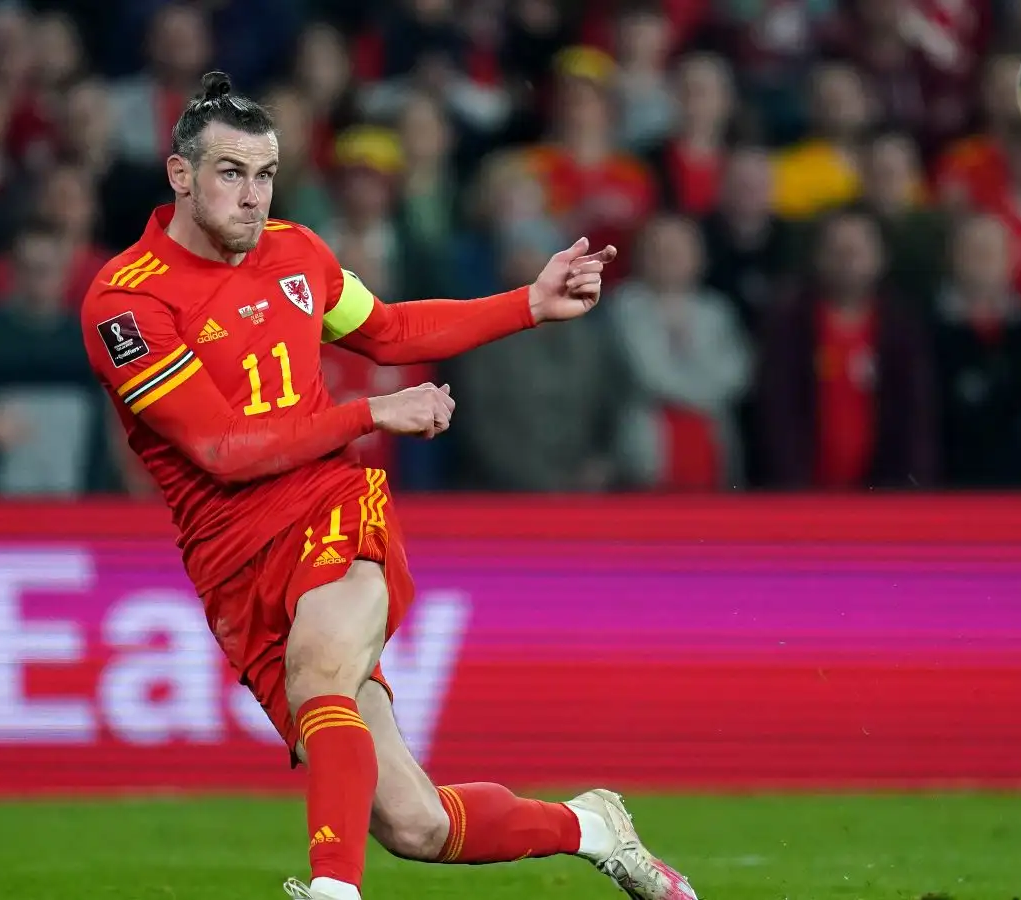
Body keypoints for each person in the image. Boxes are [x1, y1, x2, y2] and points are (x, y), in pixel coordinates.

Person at [78, 72, 695, 900]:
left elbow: (391, 330)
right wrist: (372, 410)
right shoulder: (127, 302)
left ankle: (334, 892)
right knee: (414, 825)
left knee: (323, 670)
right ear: (180, 175)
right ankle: (591, 826)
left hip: (329, 505)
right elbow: (222, 448)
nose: (254, 196)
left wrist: (529, 303)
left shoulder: (299, 253)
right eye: (231, 173)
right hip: (232, 560)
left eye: (265, 174)